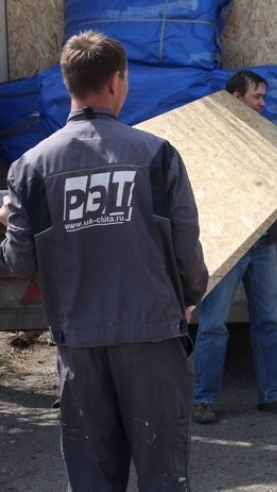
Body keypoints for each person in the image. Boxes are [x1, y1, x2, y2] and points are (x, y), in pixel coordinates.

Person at [0, 31, 208, 491]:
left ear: (67, 82)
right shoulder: (157, 155)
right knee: (163, 476)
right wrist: (190, 297)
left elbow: (18, 260)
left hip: (80, 344)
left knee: (92, 477)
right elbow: (186, 250)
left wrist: (10, 218)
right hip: (153, 335)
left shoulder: (30, 168)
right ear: (116, 81)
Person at [192, 70, 277, 423]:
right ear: (236, 97)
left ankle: (273, 395)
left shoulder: (265, 137)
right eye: (257, 97)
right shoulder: (210, 138)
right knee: (212, 325)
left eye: (265, 98)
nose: (263, 104)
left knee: (269, 321)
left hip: (263, 242)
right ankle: (202, 400)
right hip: (228, 244)